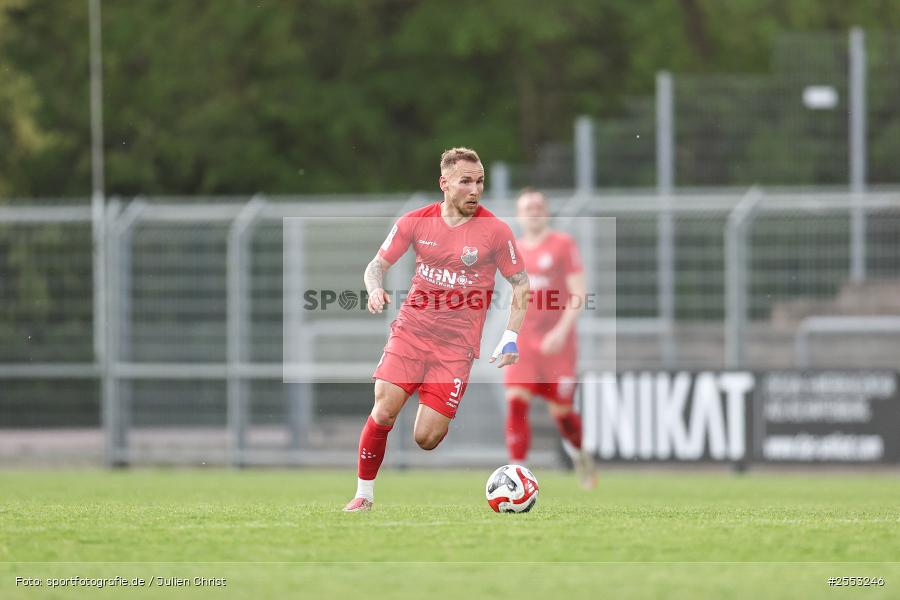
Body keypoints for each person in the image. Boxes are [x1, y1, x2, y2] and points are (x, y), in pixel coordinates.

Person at [342, 147, 530, 512]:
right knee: (384, 409)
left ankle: (427, 401)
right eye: (466, 182)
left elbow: (521, 285)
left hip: (456, 349)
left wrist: (510, 338)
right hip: (411, 333)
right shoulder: (415, 221)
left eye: (479, 182)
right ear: (444, 184)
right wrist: (374, 288)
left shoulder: (495, 231)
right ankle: (363, 495)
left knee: (426, 438)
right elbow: (375, 265)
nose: (475, 190)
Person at [503, 188, 596, 489]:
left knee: (562, 413)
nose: (533, 210)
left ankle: (581, 456)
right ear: (519, 215)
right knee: (516, 402)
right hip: (525, 340)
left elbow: (579, 294)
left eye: (538, 205)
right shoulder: (513, 250)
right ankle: (517, 475)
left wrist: (561, 330)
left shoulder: (562, 245)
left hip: (558, 344)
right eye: (527, 206)